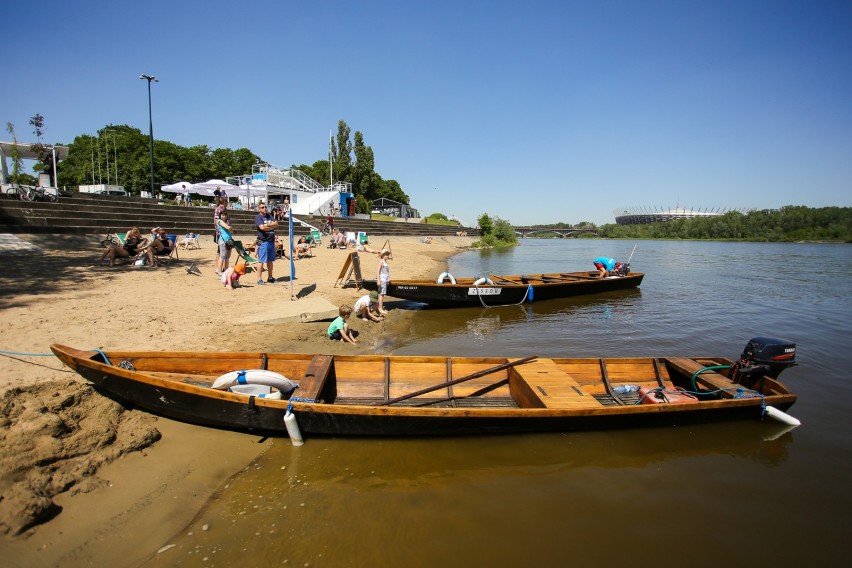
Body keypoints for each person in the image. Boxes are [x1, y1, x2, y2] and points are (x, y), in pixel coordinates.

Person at [255, 201, 279, 284]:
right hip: (263, 241)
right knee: (261, 261)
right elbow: (262, 228)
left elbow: (276, 223)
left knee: (270, 261)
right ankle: (259, 279)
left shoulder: (269, 216)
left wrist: (267, 226)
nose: (264, 208)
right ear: (259, 209)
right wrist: (271, 226)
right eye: (262, 207)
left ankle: (270, 277)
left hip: (271, 241)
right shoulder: (258, 217)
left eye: (265, 207)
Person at [216, 210, 235, 275]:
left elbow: (231, 230)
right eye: (222, 215)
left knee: (227, 257)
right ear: (220, 215)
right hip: (223, 241)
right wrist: (230, 228)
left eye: (225, 215)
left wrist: (230, 228)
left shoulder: (226, 222)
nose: (224, 216)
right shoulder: (219, 221)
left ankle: (226, 270)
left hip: (229, 240)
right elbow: (228, 227)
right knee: (222, 256)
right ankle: (219, 271)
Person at [376, 249, 391, 315]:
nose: (388, 256)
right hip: (382, 280)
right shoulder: (381, 262)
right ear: (383, 255)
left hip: (385, 280)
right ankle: (380, 308)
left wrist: (388, 279)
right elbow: (377, 271)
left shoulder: (385, 262)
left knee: (382, 294)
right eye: (387, 255)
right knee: (381, 294)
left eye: (388, 255)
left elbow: (386, 272)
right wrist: (378, 281)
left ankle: (380, 307)